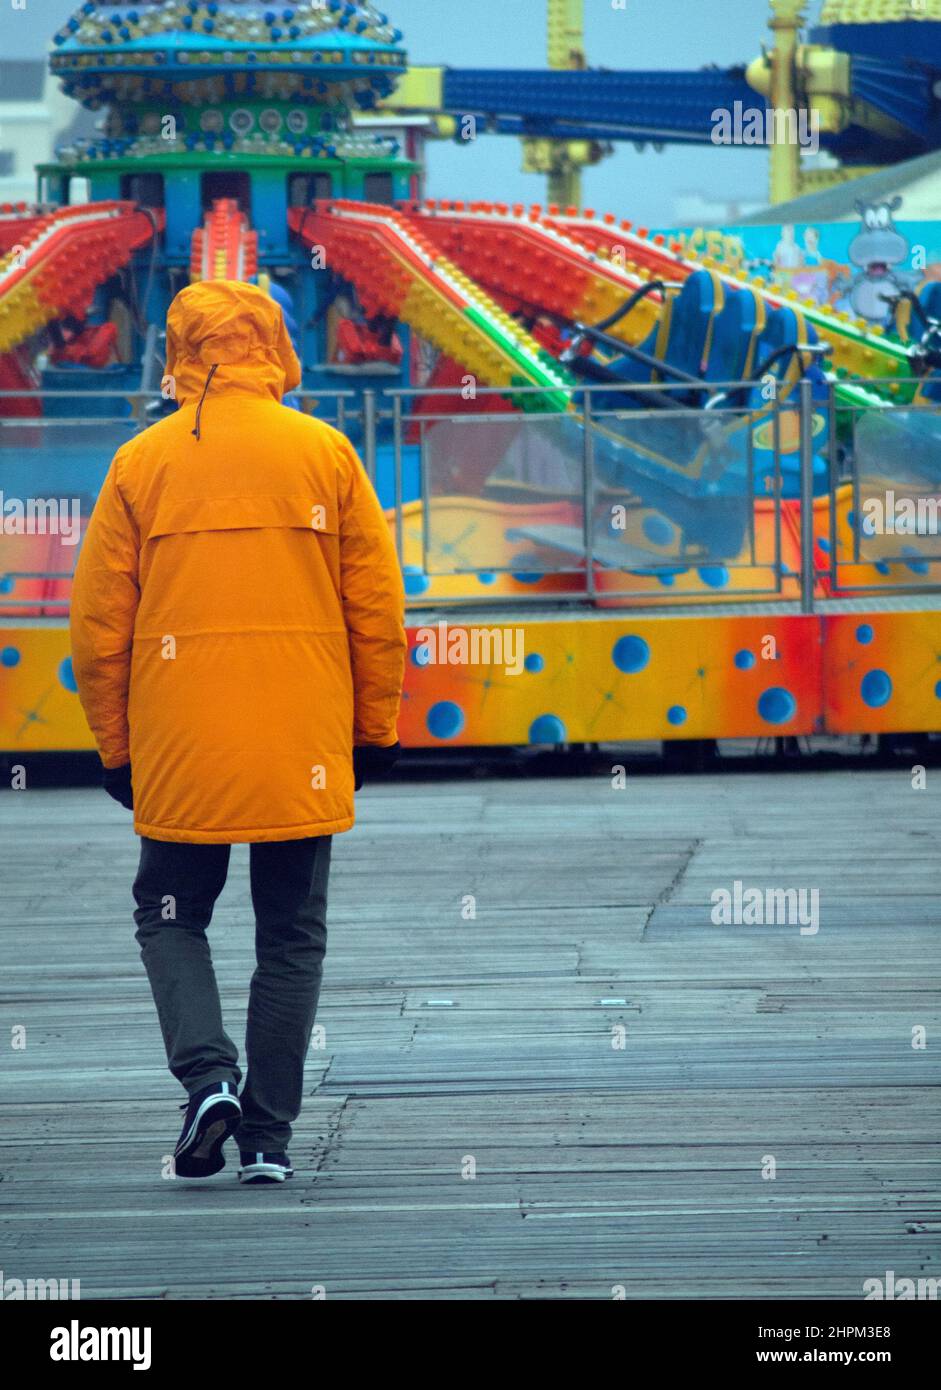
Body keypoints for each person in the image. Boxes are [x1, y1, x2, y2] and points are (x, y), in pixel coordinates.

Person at [70, 279, 406, 1184]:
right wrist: (372, 732)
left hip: (180, 741)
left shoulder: (141, 463)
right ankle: (266, 1137)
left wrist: (117, 749)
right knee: (289, 935)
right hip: (299, 740)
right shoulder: (326, 452)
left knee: (170, 913)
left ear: (177, 350)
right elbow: (375, 609)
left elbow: (100, 628)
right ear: (274, 346)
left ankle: (207, 1076)